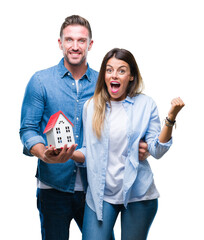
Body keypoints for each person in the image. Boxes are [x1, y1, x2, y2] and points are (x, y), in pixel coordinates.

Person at [19, 16, 149, 239]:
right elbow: (28, 129)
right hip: (53, 187)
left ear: (90, 44)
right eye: (69, 40)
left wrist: (143, 144)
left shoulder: (105, 83)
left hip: (96, 189)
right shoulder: (40, 81)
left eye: (81, 40)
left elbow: (128, 118)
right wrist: (43, 153)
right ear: (60, 43)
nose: (75, 46)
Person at [71, 48, 185, 240]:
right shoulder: (91, 106)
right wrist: (69, 154)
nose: (114, 75)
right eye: (109, 70)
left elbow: (156, 149)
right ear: (104, 75)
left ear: (131, 76)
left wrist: (171, 118)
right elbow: (87, 150)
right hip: (101, 196)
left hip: (138, 194)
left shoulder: (145, 104)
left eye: (121, 70)